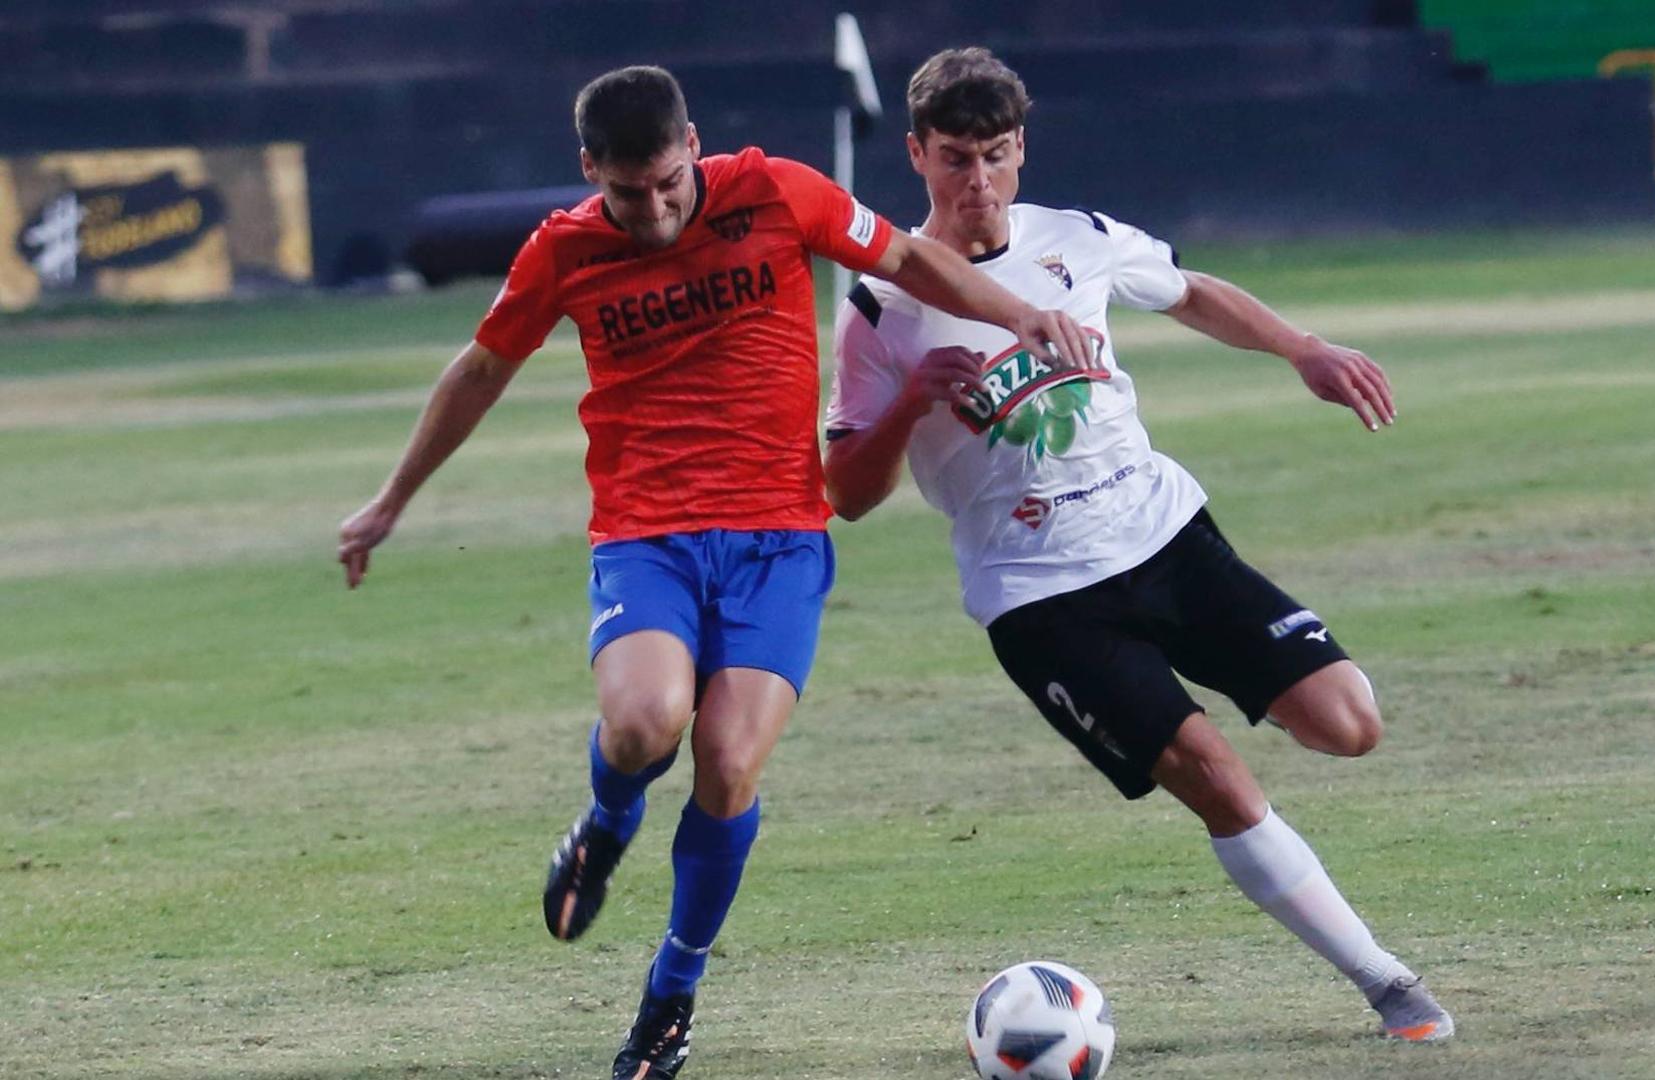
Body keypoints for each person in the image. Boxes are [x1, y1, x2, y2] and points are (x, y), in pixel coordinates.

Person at [336, 65, 1097, 1080]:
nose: (650, 213)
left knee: (730, 767)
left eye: (665, 185)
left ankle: (670, 997)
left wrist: (1016, 314)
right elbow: (481, 369)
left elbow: (910, 257)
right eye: (625, 194)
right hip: (646, 534)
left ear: (692, 146)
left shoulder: (777, 193)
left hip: (781, 536)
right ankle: (608, 823)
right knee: (647, 725)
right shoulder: (564, 250)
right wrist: (390, 500)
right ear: (587, 173)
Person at [823, 48, 1453, 1042]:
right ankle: (1388, 984)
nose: (977, 182)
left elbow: (1188, 289)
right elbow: (846, 495)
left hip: (1167, 537)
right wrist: (909, 401)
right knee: (1216, 777)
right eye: (953, 159)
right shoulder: (879, 305)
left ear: (1021, 150)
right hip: (1042, 600)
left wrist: (1303, 346)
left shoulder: (1077, 238)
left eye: (994, 155)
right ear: (915, 155)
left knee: (1348, 723)